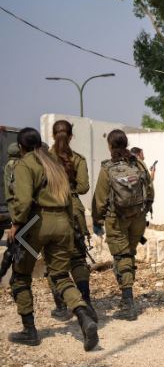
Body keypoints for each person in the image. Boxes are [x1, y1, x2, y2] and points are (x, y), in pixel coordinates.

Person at [6, 128, 98, 350]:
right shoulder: (55, 164)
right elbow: (69, 199)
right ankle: (84, 316)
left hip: (35, 226)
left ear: (21, 147)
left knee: (20, 276)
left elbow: (23, 201)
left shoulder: (25, 164)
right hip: (63, 224)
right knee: (61, 276)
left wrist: (16, 224)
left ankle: (29, 331)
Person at [93, 129, 154, 320]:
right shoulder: (139, 164)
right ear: (126, 144)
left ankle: (128, 303)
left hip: (117, 219)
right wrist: (143, 211)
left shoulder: (108, 168)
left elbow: (100, 200)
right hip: (138, 218)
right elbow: (150, 191)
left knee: (122, 257)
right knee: (129, 254)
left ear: (110, 145)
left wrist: (97, 220)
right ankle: (126, 297)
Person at [48, 120, 97, 322]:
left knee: (53, 261)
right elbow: (84, 187)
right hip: (74, 210)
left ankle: (61, 306)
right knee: (78, 258)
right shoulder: (78, 159)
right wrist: (71, 189)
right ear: (71, 136)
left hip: (49, 211)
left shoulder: (43, 158)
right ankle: (85, 300)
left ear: (53, 135)